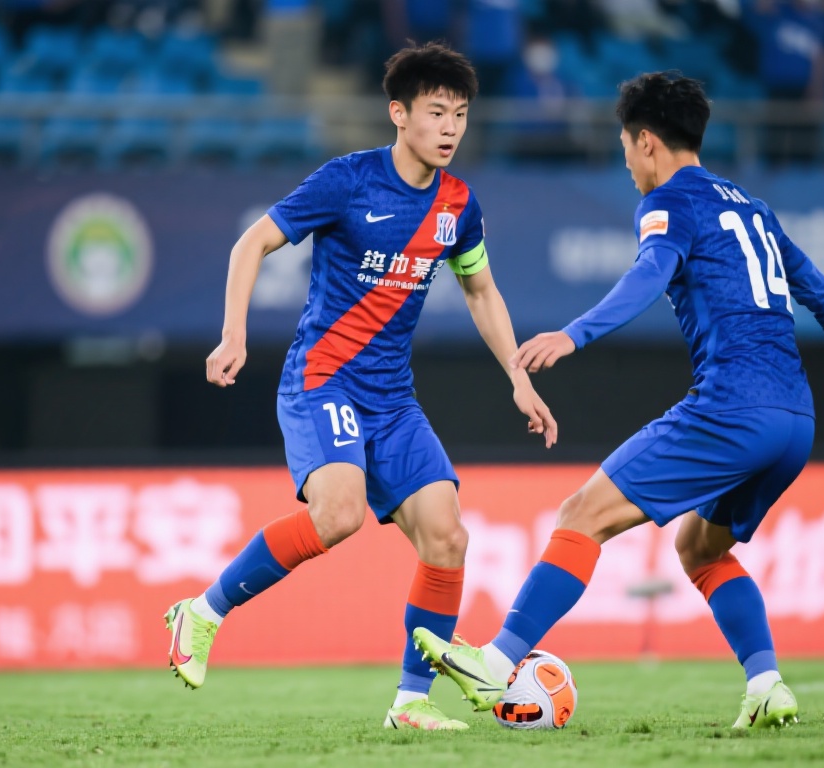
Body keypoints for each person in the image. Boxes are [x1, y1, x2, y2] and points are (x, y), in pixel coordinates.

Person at [414, 71, 824, 729]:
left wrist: (574, 335)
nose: (628, 164)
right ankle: (766, 684)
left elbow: (648, 275)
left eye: (626, 148)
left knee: (581, 514)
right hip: (795, 421)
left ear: (647, 142)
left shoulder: (668, 202)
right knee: (701, 549)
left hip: (732, 408)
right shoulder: (752, 208)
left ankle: (495, 662)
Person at [165, 41, 557, 731]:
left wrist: (518, 379)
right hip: (323, 381)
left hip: (393, 399)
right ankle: (201, 611)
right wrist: (233, 334)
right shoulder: (347, 181)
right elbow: (251, 242)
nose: (450, 129)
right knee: (339, 514)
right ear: (398, 113)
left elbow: (481, 291)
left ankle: (410, 704)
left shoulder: (459, 204)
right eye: (436, 113)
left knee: (448, 538)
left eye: (460, 115)